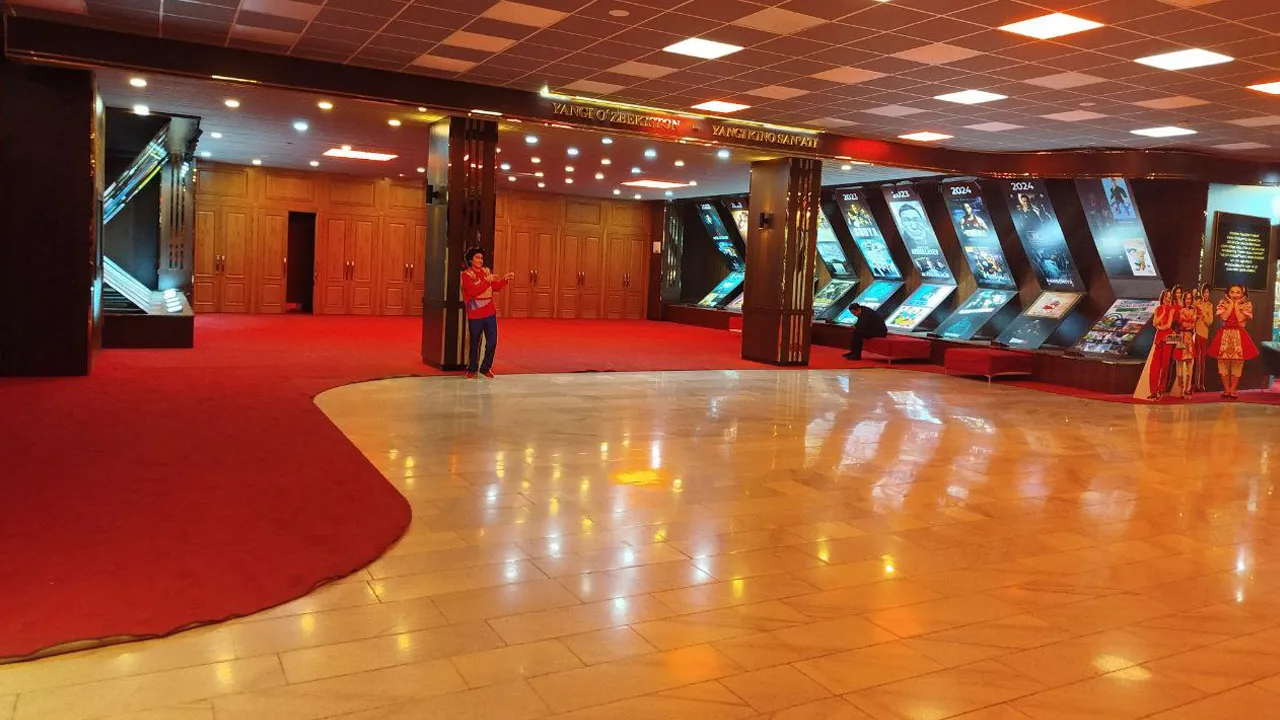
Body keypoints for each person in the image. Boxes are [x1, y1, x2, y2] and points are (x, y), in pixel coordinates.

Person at [460, 247, 514, 379]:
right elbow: (473, 292)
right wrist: (486, 280)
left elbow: (494, 287)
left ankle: (486, 367)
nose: (480, 260)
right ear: (471, 260)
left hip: (490, 312)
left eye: (481, 258)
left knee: (492, 341)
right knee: (475, 342)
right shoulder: (466, 275)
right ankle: (472, 368)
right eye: (477, 258)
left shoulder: (486, 271)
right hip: (475, 313)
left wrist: (504, 280)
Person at [1208, 284, 1260, 399]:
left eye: (1238, 292)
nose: (1235, 294)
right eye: (1232, 292)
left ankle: (1233, 389)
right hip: (1224, 335)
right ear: (1228, 293)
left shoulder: (1247, 305)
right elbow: (1224, 318)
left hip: (1239, 336)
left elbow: (1240, 318)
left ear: (1242, 294)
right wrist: (1231, 304)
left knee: (1237, 364)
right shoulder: (1222, 303)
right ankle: (1226, 389)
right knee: (1222, 364)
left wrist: (1236, 305)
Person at [1147, 289, 1176, 401]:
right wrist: (1163, 313)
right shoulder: (1158, 309)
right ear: (1162, 297)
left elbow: (1168, 325)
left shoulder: (1172, 309)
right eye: (1166, 297)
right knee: (1154, 365)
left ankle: (1161, 389)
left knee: (1165, 365)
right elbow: (1154, 322)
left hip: (1168, 337)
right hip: (1159, 338)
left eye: (1169, 297)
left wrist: (1159, 327)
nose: (1167, 299)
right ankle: (1153, 391)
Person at [1173, 292, 1198, 399]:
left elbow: (1192, 325)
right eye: (1186, 299)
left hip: (1189, 338)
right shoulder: (1180, 310)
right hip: (1181, 338)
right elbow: (1183, 324)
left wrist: (1188, 323)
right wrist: (1188, 322)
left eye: (1190, 299)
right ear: (1184, 299)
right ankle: (1180, 389)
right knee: (1179, 364)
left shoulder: (1194, 310)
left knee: (1189, 364)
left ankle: (1187, 389)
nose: (1188, 300)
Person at [1193, 283, 1213, 391]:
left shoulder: (1210, 305)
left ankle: (1201, 383)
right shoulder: (1197, 303)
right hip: (1196, 333)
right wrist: (1193, 295)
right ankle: (1195, 384)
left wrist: (1204, 315)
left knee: (1202, 359)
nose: (1206, 294)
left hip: (1204, 334)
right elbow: (1190, 311)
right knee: (1196, 358)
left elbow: (1210, 321)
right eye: (1204, 292)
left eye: (1208, 292)